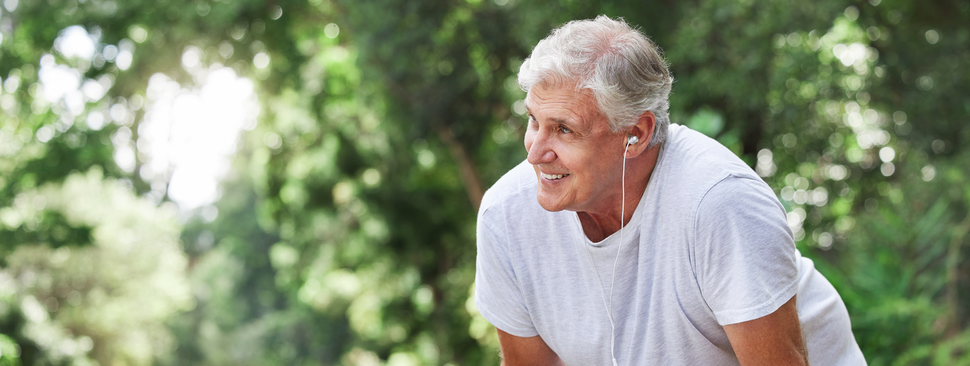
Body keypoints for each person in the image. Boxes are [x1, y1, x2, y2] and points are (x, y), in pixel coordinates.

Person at [474, 15, 866, 365]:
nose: (536, 154)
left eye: (564, 129)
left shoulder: (720, 204)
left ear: (636, 134)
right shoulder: (505, 216)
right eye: (533, 121)